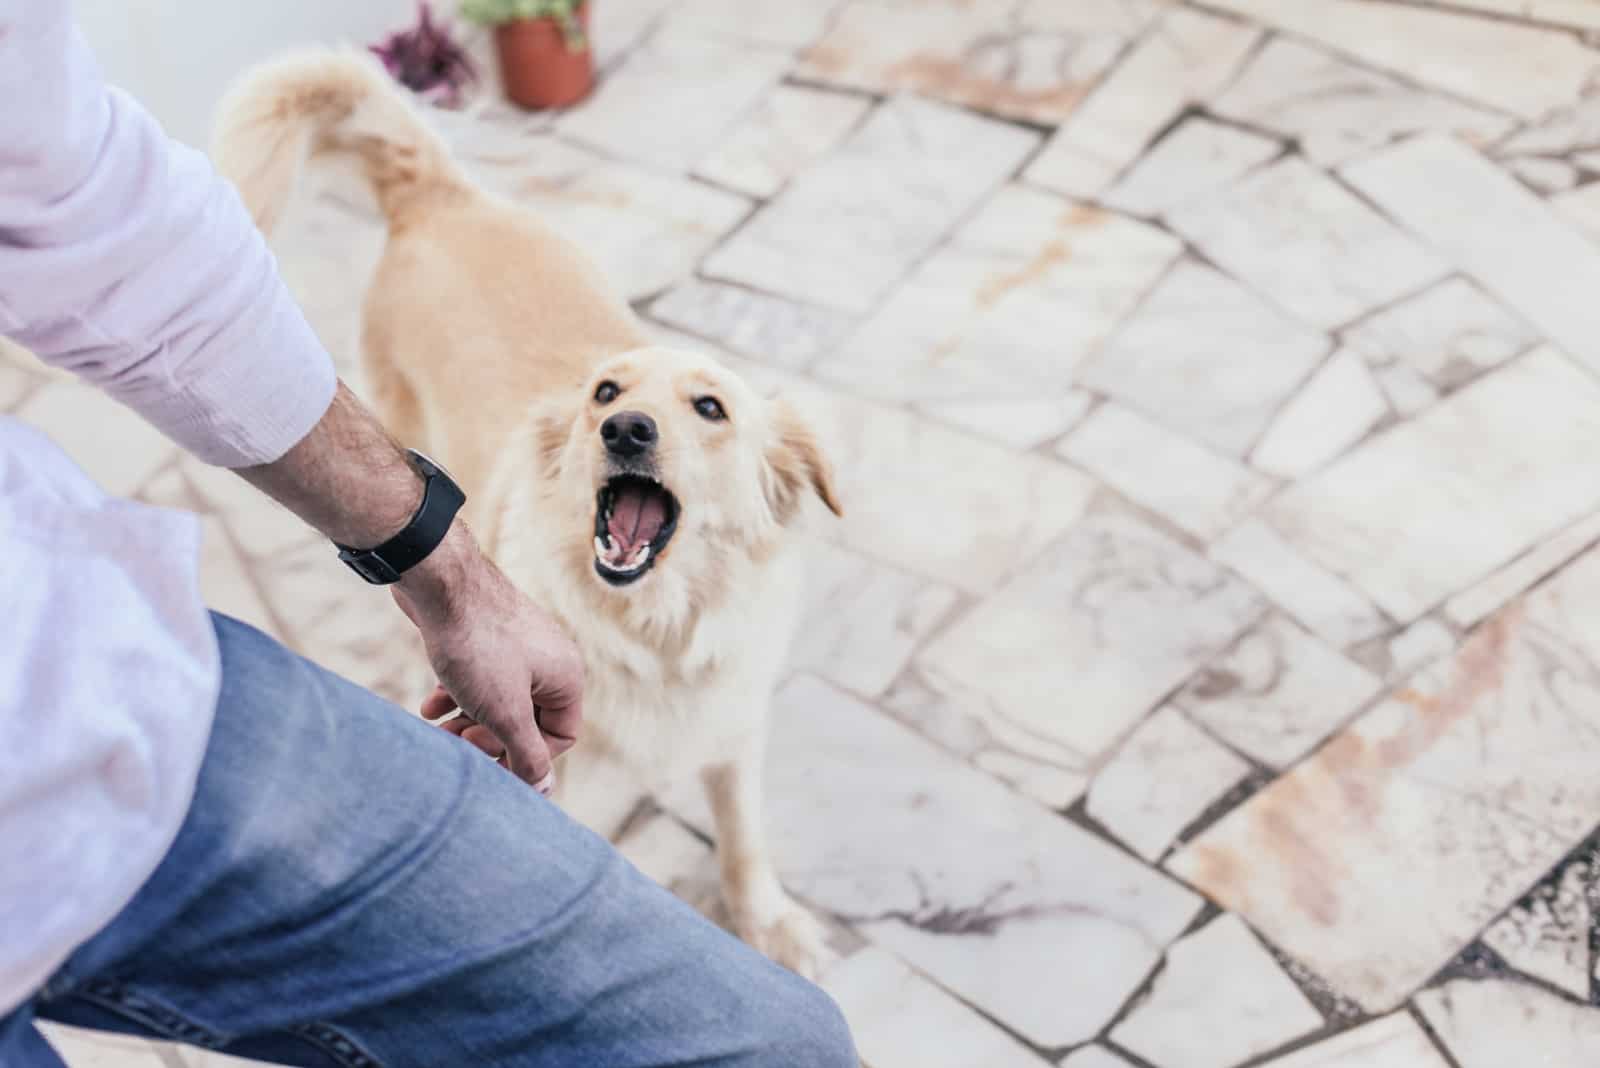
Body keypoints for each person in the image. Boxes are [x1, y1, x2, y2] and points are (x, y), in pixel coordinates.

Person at [0, 4, 856, 1066]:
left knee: (778, 1041)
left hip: (92, 708)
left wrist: (442, 576)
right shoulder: (561, 467)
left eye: (707, 413)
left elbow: (86, 216)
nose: (630, 424)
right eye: (609, 402)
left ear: (776, 480)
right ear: (567, 443)